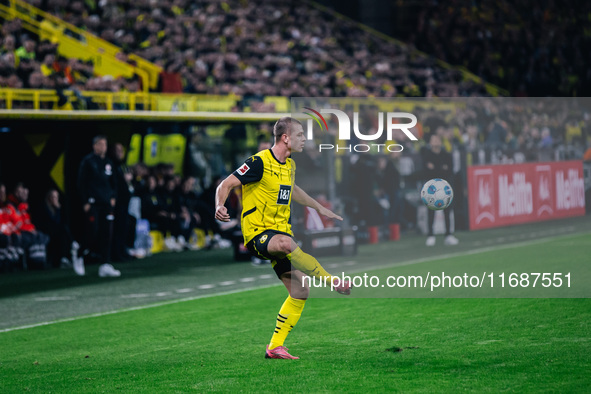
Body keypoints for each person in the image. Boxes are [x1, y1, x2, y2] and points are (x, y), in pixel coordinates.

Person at [214, 117, 351, 360]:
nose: (304, 139)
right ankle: (333, 282)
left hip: (279, 232)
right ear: (285, 138)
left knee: (300, 291)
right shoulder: (259, 162)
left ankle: (275, 347)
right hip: (258, 234)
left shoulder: (289, 165)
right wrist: (219, 205)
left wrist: (320, 207)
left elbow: (293, 190)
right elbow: (226, 184)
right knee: (287, 244)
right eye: (299, 135)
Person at [77, 135, 121, 277]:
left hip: (106, 204)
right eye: (100, 144)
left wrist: (113, 197)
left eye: (105, 144)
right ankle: (79, 253)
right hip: (93, 203)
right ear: (94, 146)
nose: (103, 147)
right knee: (92, 231)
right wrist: (85, 202)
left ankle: (105, 264)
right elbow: (81, 183)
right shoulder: (88, 162)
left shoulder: (108, 162)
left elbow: (114, 182)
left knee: (107, 233)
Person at [420, 133, 459, 246]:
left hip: (444, 188)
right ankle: (431, 235)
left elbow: (449, 170)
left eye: (437, 139)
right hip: (431, 189)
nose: (436, 142)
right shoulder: (427, 155)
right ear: (430, 142)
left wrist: (435, 168)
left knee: (447, 211)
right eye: (434, 140)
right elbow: (426, 171)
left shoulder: (446, 155)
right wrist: (441, 168)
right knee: (431, 212)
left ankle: (448, 235)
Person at [34, 188, 84, 275]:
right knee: (63, 231)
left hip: (55, 231)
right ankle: (72, 244)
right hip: (45, 230)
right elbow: (49, 222)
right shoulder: (44, 208)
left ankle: (64, 257)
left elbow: (59, 221)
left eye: (56, 197)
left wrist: (58, 210)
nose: (55, 199)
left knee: (63, 232)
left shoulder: (57, 208)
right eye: (53, 197)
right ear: (49, 198)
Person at [109, 142, 135, 262]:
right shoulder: (111, 165)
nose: (120, 153)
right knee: (117, 228)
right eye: (117, 150)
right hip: (117, 203)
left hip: (125, 203)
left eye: (121, 151)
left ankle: (123, 250)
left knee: (125, 226)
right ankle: (116, 253)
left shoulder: (123, 166)